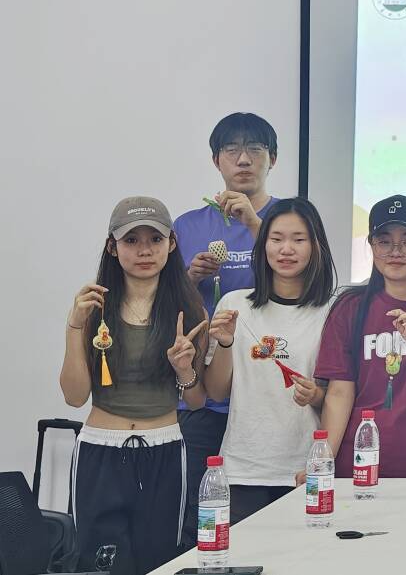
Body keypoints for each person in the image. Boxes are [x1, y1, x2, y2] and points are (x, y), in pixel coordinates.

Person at [60, 197, 208, 575]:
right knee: (98, 566)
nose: (144, 250)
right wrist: (74, 327)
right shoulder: (93, 307)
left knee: (160, 563)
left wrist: (184, 369)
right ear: (113, 247)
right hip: (100, 450)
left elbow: (196, 399)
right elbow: (74, 397)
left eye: (155, 239)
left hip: (165, 449)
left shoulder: (190, 310)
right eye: (131, 240)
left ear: (171, 244)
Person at [172, 112, 281, 545]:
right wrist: (191, 278)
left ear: (273, 158)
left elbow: (308, 282)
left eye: (255, 149)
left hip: (269, 395)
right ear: (216, 160)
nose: (244, 159)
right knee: (200, 522)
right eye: (232, 149)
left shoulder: (288, 222)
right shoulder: (187, 225)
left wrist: (255, 223)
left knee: (270, 526)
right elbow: (166, 305)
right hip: (204, 398)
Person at [203, 199, 337, 522]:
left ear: (316, 246)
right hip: (242, 470)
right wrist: (225, 343)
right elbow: (216, 392)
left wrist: (315, 395)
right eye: (276, 239)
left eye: (298, 239)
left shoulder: (331, 310)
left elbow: (340, 395)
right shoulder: (234, 305)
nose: (286, 249)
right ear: (263, 245)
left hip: (304, 471)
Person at [311, 195, 406, 478]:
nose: (395, 251)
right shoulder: (350, 306)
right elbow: (340, 393)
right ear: (371, 245)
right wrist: (323, 463)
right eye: (384, 241)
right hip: (359, 466)